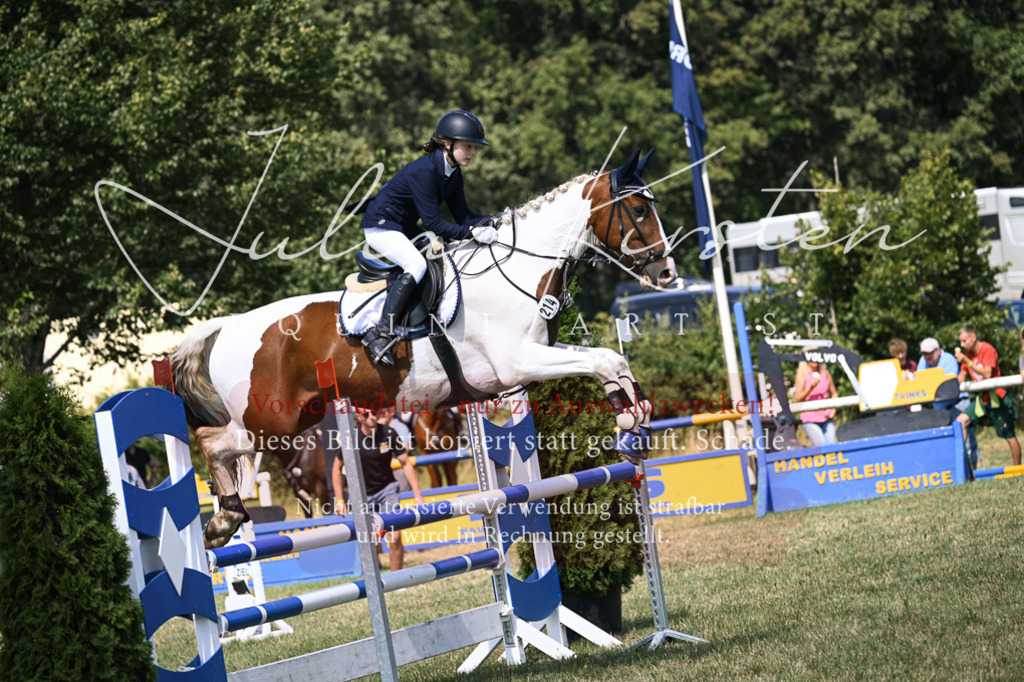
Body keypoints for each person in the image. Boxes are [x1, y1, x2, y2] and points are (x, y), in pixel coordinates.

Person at [359, 109, 500, 366]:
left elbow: (464, 217)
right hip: (381, 226)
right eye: (468, 146)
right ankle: (380, 333)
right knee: (417, 265)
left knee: (443, 259)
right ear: (448, 143)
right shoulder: (424, 171)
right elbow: (434, 224)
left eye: (475, 147)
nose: (473, 152)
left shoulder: (453, 173)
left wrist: (499, 220)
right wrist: (473, 233)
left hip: (403, 227)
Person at [333, 409, 426, 571]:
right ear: (359, 417)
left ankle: (397, 578)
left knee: (395, 536)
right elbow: (336, 467)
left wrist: (418, 495)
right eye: (366, 414)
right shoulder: (351, 437)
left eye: (374, 413)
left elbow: (405, 463)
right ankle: (375, 573)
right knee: (371, 539)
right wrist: (340, 500)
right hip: (362, 494)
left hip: (387, 489)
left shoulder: (388, 433)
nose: (371, 417)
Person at [955, 325, 1021, 467]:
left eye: (964, 341)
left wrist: (967, 361)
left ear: (973, 337)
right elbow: (961, 377)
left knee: (1009, 436)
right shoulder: (968, 354)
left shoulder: (987, 349)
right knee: (960, 422)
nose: (962, 345)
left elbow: (987, 373)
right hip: (982, 399)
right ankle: (963, 468)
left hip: (997, 397)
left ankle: (1018, 470)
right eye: (961, 342)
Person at [918, 336, 979, 464]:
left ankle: (971, 470)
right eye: (924, 353)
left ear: (938, 350)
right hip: (940, 410)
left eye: (930, 353)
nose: (927, 356)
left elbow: (946, 386)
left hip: (958, 405)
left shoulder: (949, 359)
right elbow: (919, 383)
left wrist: (929, 384)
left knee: (967, 443)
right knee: (947, 443)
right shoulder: (922, 362)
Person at [793, 358, 839, 447]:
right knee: (822, 446)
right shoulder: (802, 374)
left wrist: (833, 410)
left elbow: (834, 393)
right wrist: (811, 387)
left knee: (833, 446)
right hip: (810, 419)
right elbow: (798, 398)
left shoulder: (825, 373)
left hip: (826, 417)